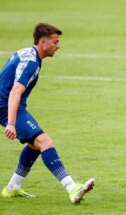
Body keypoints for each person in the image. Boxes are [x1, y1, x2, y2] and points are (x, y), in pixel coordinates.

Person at [0, 23, 94, 203]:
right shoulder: (32, 62)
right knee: (45, 142)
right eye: (55, 42)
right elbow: (15, 91)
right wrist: (11, 122)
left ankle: (12, 188)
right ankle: (72, 188)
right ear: (43, 43)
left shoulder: (27, 52)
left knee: (35, 144)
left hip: (7, 103)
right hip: (6, 105)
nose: (58, 46)